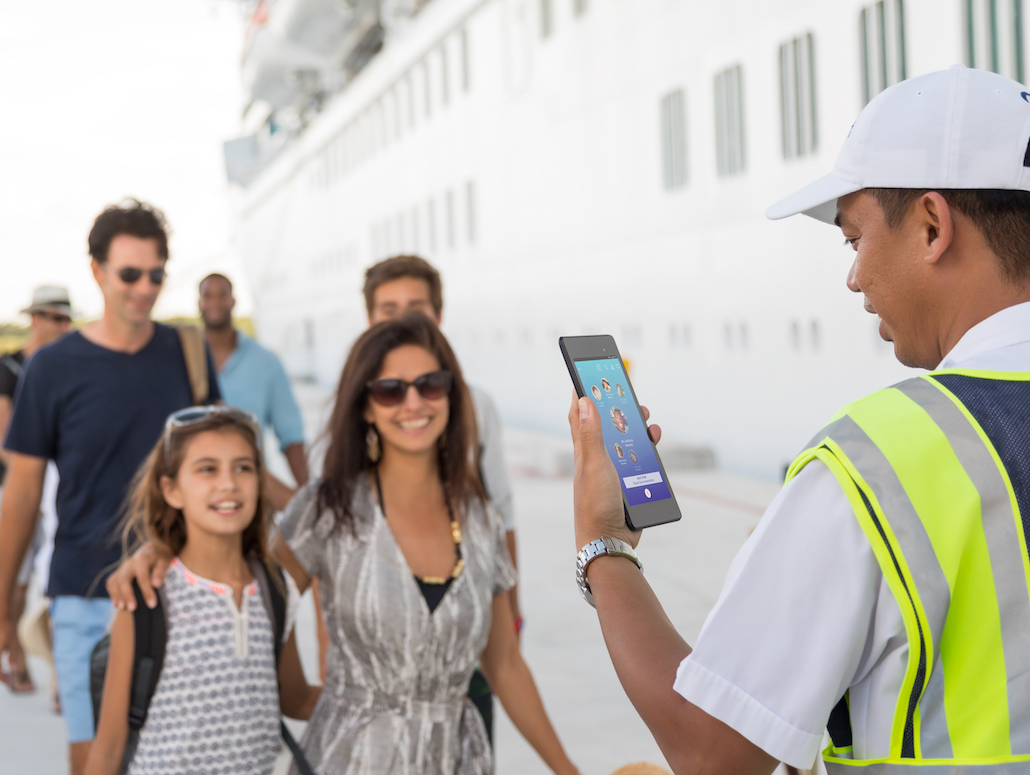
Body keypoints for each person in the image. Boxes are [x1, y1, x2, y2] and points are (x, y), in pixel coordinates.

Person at [569, 65, 1030, 774]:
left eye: (854, 239)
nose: (854, 277)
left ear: (933, 225)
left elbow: (711, 753)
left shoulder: (880, 461)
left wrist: (603, 547)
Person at [111, 317, 580, 774]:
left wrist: (567, 770)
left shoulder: (481, 520)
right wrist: (159, 551)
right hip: (348, 757)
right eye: (390, 389)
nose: (413, 402)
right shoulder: (326, 510)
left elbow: (505, 666)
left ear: (452, 395)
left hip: (455, 758)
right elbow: (249, 582)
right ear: (365, 406)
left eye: (430, 384)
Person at [0, 199, 222, 775]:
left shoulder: (186, 353)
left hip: (182, 593)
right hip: (85, 597)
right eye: (130, 274)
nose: (145, 288)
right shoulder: (53, 368)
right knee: (95, 763)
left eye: (157, 275)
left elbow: (223, 468)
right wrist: (1, 614)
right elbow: (21, 496)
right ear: (97, 271)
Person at [86, 405, 319, 775]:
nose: (228, 483)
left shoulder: (277, 591)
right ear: (172, 490)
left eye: (243, 467)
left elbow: (297, 700)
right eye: (207, 469)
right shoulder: (148, 597)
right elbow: (109, 748)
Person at [361, 254, 523, 740]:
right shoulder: (351, 414)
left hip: (463, 630)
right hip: (380, 653)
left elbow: (502, 515)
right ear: (370, 318)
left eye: (417, 305)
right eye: (389, 308)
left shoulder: (476, 406)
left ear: (439, 314)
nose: (405, 318)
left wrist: (512, 616)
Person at [0, 283, 73, 693]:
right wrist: (35, 486)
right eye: (53, 317)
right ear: (34, 319)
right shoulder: (6, 370)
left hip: (62, 491)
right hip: (20, 488)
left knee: (58, 581)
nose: (61, 325)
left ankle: (60, 674)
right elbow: (3, 440)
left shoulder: (74, 365)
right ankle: (16, 654)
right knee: (18, 579)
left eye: (66, 318)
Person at [198, 273, 308, 509]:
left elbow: (291, 435)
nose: (215, 302)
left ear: (233, 301)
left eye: (222, 295)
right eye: (208, 296)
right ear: (199, 302)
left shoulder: (265, 362)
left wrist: (309, 499)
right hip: (196, 495)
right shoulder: (182, 359)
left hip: (253, 490)